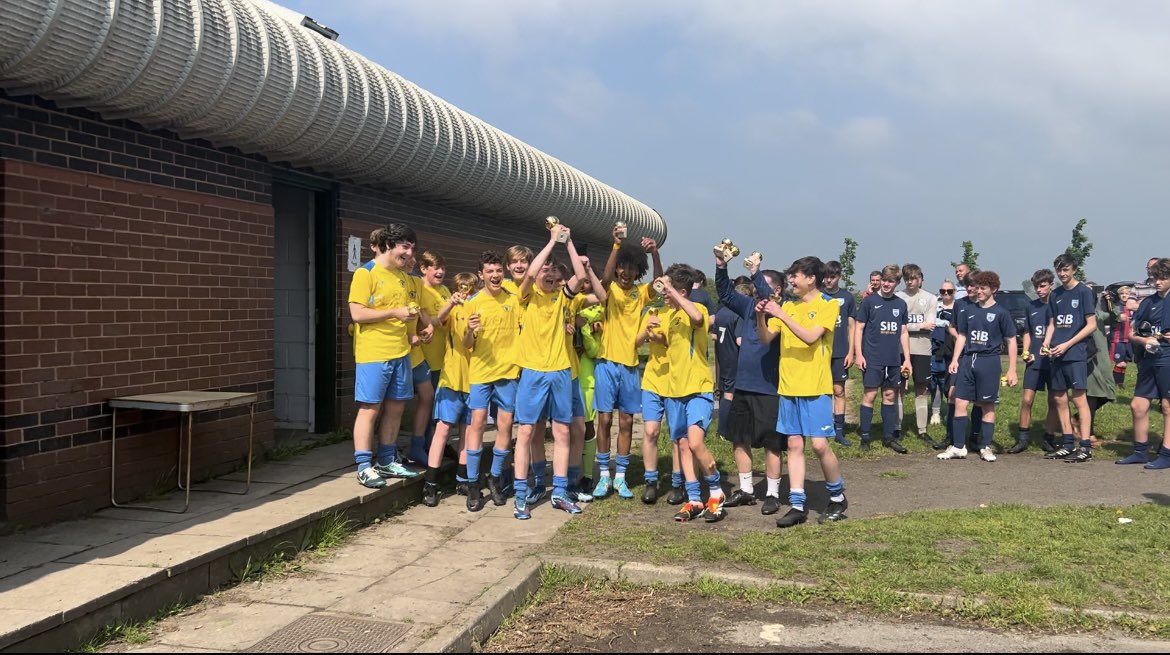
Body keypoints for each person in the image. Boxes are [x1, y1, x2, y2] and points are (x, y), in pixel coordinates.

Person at [756, 256, 848, 528]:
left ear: (811, 278)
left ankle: (837, 496)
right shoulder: (788, 306)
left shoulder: (828, 306)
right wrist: (761, 315)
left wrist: (781, 314)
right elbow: (765, 339)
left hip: (816, 387)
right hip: (789, 387)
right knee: (794, 445)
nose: (791, 281)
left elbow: (810, 337)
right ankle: (797, 505)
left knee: (819, 445)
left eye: (795, 276)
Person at [511, 225, 589, 519]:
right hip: (532, 371)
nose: (551, 279)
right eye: (547, 274)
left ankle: (559, 492)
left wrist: (567, 241)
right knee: (528, 431)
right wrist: (550, 242)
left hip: (560, 371)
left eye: (555, 277)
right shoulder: (528, 296)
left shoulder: (563, 296)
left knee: (562, 431)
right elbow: (530, 275)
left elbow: (580, 277)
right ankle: (522, 493)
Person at [347, 225, 423, 488]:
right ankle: (364, 465)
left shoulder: (401, 277)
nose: (409, 252)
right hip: (374, 353)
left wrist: (412, 324)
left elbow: (403, 312)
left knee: (396, 407)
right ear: (388, 245)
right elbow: (357, 314)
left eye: (412, 247)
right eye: (404, 246)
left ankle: (388, 460)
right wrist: (394, 313)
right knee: (370, 409)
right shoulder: (365, 273)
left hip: (401, 352)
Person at [593, 229, 663, 499]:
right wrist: (616, 246)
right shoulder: (609, 289)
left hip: (630, 366)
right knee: (604, 419)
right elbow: (605, 277)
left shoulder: (640, 293)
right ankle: (604, 476)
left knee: (625, 422)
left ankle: (620, 477)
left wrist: (655, 253)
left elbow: (659, 283)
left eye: (632, 268)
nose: (626, 272)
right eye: (623, 266)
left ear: (638, 271)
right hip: (606, 364)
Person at [715, 255, 787, 515]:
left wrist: (755, 271)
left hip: (768, 387)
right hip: (742, 385)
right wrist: (721, 265)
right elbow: (724, 292)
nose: (757, 289)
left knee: (772, 443)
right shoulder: (748, 306)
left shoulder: (780, 307)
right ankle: (746, 490)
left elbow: (769, 298)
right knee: (739, 439)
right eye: (756, 285)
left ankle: (772, 493)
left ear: (777, 289)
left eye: (763, 284)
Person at [652, 264, 724, 522]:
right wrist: (654, 334)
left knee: (695, 443)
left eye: (668, 288)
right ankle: (694, 499)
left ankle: (716, 492)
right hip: (674, 390)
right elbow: (672, 346)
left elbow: (695, 319)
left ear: (680, 290)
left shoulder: (699, 308)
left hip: (698, 388)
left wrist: (671, 287)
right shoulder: (668, 315)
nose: (663, 292)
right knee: (681, 444)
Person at [463, 250, 522, 510]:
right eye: (490, 271)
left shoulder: (515, 299)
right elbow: (467, 345)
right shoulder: (473, 302)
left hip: (508, 372)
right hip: (480, 372)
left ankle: (495, 477)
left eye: (499, 270)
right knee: (476, 422)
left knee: (506, 424)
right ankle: (473, 483)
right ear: (481, 275)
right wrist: (469, 330)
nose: (495, 275)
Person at [937, 271, 1018, 462]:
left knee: (987, 405)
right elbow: (962, 335)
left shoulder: (1001, 313)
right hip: (968, 360)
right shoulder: (970, 310)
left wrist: (1012, 368)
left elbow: (1012, 341)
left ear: (994, 290)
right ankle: (958, 446)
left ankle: (986, 446)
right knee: (959, 401)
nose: (978, 291)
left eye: (983, 288)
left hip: (989, 361)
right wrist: (956, 359)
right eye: (977, 287)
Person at [422, 273, 475, 506]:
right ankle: (430, 483)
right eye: (462, 288)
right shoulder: (452, 309)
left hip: (476, 381)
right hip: (451, 379)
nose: (466, 291)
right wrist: (451, 303)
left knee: (469, 432)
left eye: (471, 288)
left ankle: (462, 478)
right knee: (443, 429)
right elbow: (435, 321)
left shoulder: (480, 309)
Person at [1041, 253, 1098, 463]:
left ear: (1074, 269)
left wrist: (1067, 344)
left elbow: (1091, 324)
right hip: (1056, 352)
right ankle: (1066, 443)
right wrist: (1047, 343)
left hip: (1075, 353)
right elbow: (1053, 323)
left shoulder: (1084, 291)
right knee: (1058, 397)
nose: (1062, 274)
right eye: (1059, 270)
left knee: (1078, 398)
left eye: (1066, 269)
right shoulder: (1055, 294)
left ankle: (1084, 445)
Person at [1116, 257, 1170, 469]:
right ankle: (1140, 451)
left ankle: (1166, 454)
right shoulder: (1147, 303)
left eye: (1163, 278)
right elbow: (1131, 334)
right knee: (1138, 405)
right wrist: (1145, 340)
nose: (1157, 282)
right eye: (1155, 277)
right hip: (1149, 359)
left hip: (1168, 358)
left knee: (1167, 406)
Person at [854, 264, 912, 452]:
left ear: (897, 283)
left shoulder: (900, 304)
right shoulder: (869, 302)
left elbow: (903, 332)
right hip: (872, 358)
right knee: (870, 395)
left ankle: (888, 438)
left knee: (889, 396)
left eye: (891, 281)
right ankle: (865, 437)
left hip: (893, 359)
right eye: (884, 280)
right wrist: (859, 354)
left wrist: (907, 359)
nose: (886, 284)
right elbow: (859, 328)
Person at [1008, 269, 1059, 454]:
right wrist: (1027, 352)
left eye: (1043, 286)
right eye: (1037, 286)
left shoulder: (1058, 305)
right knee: (1027, 400)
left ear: (1051, 285)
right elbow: (1027, 332)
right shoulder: (1031, 306)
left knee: (1053, 401)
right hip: (1035, 361)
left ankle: (1049, 438)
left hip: (1054, 360)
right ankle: (1022, 438)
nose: (1039, 290)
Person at [896, 264, 938, 445]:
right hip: (900, 349)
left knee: (921, 388)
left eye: (913, 278)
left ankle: (922, 429)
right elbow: (899, 326)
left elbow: (930, 324)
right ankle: (896, 427)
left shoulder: (930, 298)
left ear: (921, 278)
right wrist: (918, 326)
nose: (910, 281)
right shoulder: (898, 297)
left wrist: (913, 327)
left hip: (922, 348)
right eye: (907, 278)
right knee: (899, 388)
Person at [821, 261, 856, 447]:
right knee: (821, 391)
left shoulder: (847, 297)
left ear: (839, 277)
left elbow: (852, 327)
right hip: (820, 351)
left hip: (840, 351)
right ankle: (823, 428)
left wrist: (851, 352)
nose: (828, 280)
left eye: (832, 277)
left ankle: (839, 431)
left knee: (838, 390)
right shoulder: (817, 295)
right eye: (826, 276)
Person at [711, 287, 742, 456]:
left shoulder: (721, 312)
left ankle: (725, 427)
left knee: (725, 393)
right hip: (734, 358)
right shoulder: (737, 315)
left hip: (722, 357)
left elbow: (714, 336)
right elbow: (740, 341)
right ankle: (722, 430)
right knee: (729, 395)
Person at [1109, 286, 1134, 387]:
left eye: (1127, 294)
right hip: (1118, 338)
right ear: (1119, 295)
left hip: (1129, 339)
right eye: (1122, 294)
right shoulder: (1115, 307)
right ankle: (1116, 383)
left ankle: (1120, 383)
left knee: (1125, 362)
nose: (1124, 295)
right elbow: (1109, 319)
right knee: (1119, 362)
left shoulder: (1132, 307)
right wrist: (1117, 318)